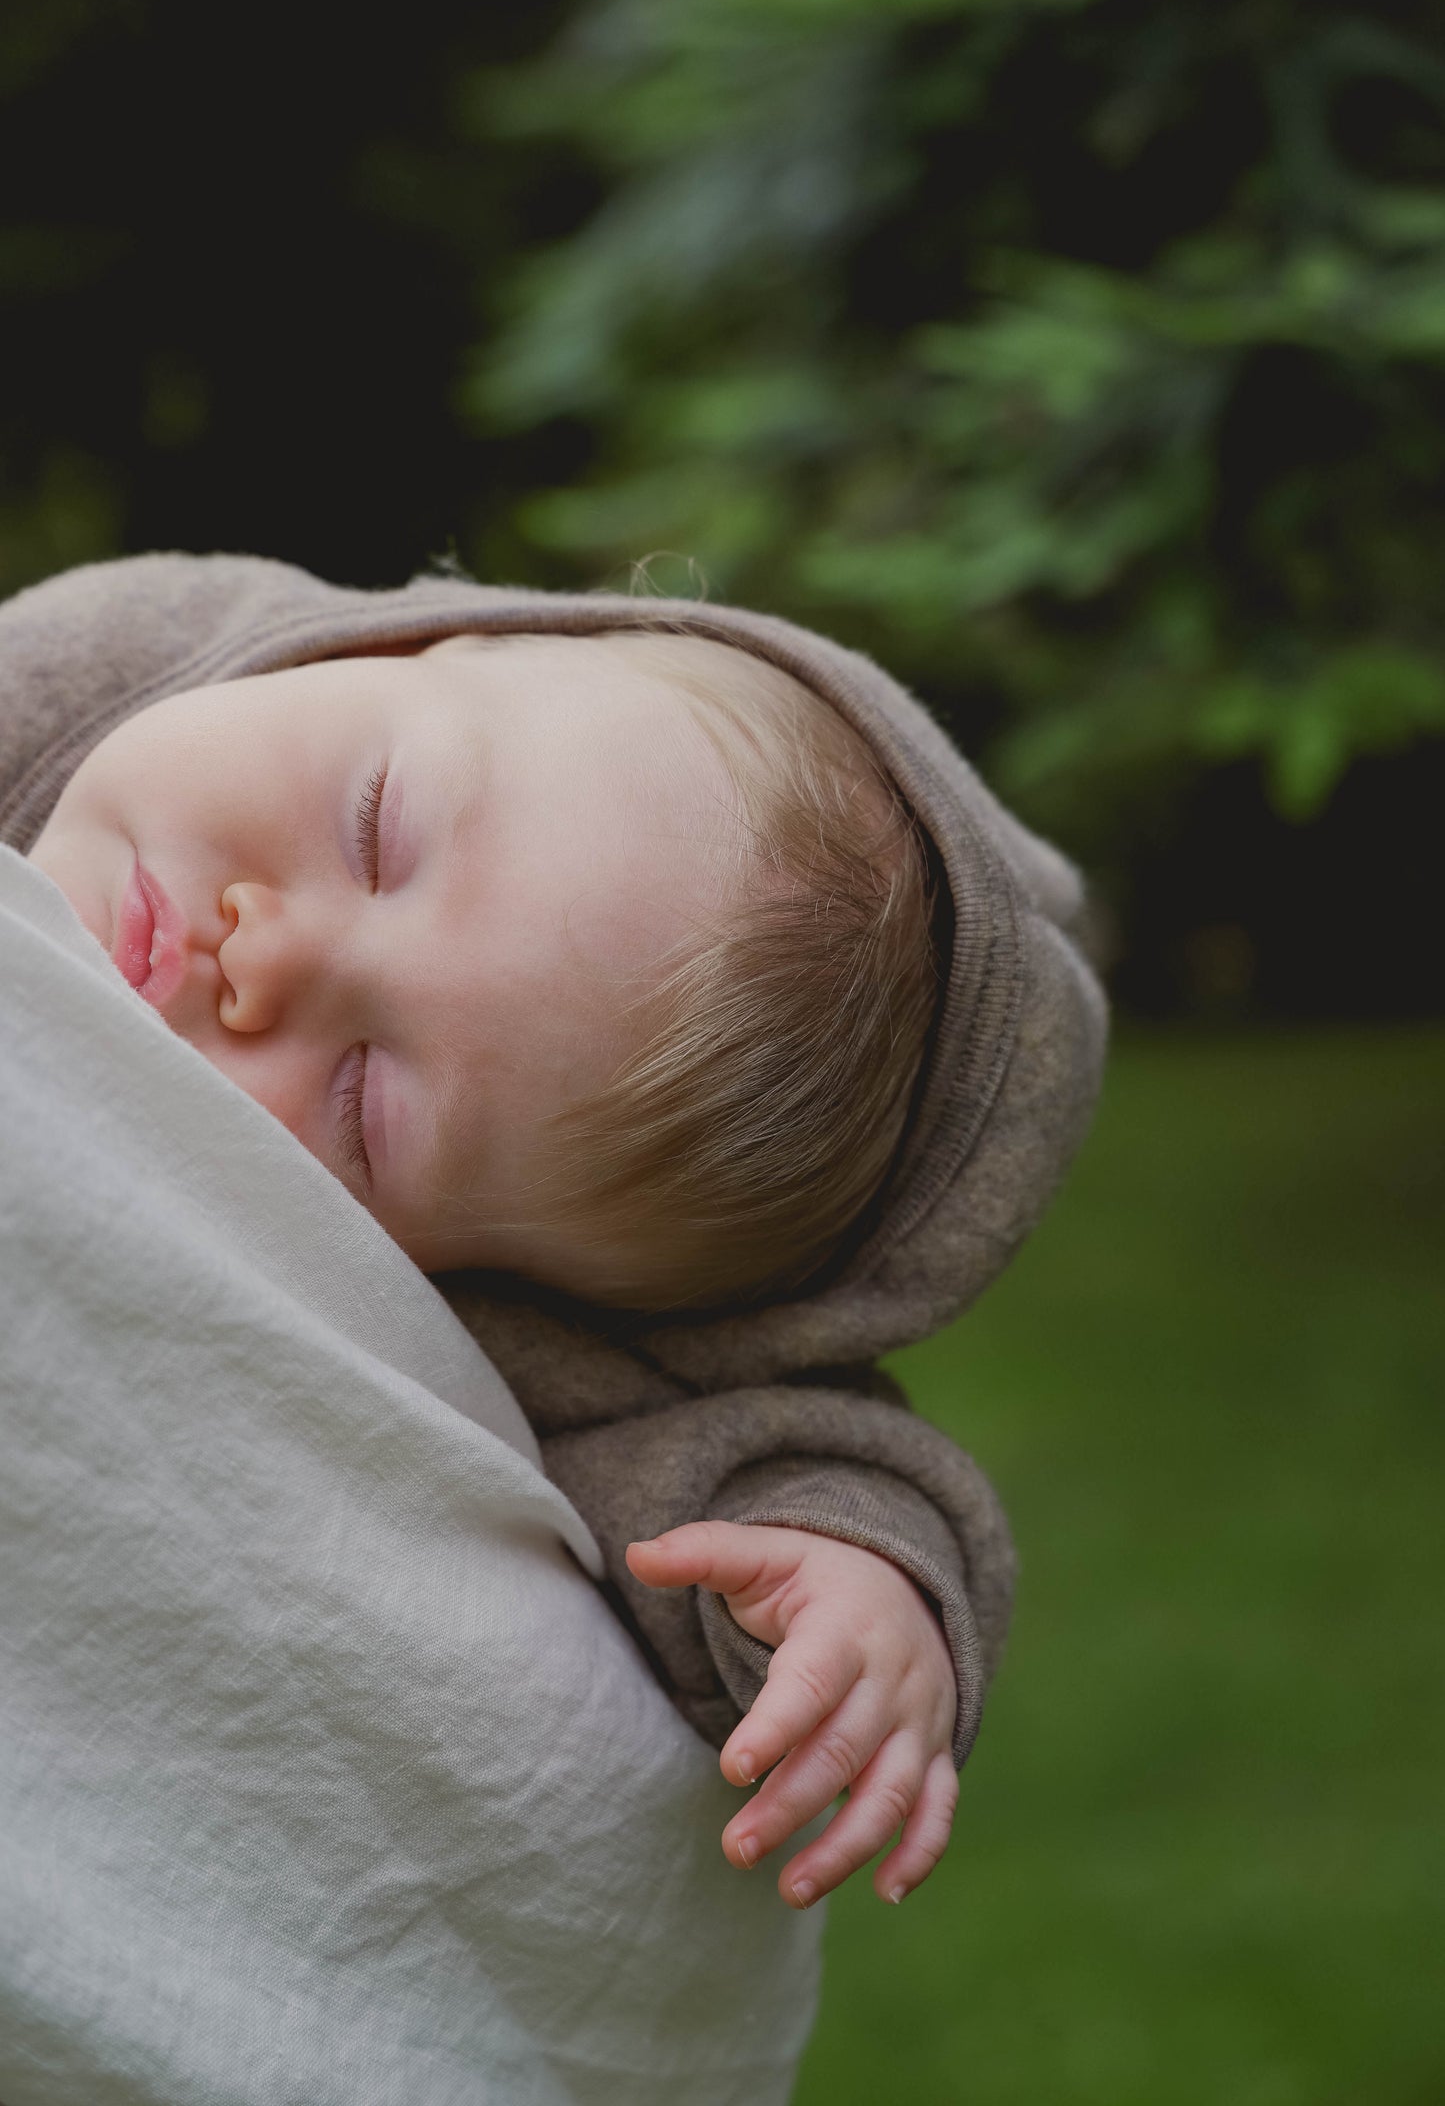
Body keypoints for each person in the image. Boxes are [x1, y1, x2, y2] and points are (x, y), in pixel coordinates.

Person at [2, 551, 1107, 1911]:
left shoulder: (435, 1319)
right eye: (375, 827)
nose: (268, 955)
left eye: (365, 1101)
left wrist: (854, 1588)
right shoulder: (95, 665)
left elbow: (761, 1457)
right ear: (433, 643)